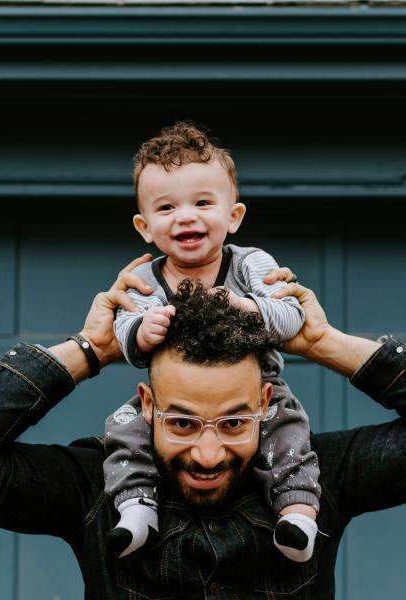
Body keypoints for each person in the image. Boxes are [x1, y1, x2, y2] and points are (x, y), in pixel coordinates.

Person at [0, 256, 406, 600]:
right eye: (183, 422)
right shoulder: (93, 487)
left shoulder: (319, 477)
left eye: (235, 421)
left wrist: (323, 343)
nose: (209, 452)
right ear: (147, 405)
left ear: (267, 401)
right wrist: (91, 349)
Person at [106, 121, 319, 561]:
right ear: (145, 227)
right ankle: (136, 506)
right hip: (174, 399)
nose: (186, 216)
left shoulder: (250, 264)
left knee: (289, 431)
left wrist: (248, 307)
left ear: (233, 216)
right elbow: (124, 332)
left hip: (258, 387)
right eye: (167, 208)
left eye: (203, 203)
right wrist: (141, 331)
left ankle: (297, 514)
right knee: (125, 428)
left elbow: (291, 316)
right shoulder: (144, 278)